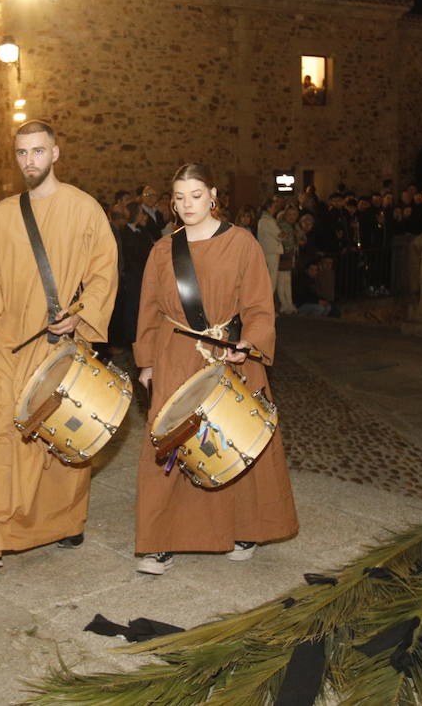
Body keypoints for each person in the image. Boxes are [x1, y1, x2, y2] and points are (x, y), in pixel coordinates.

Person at [0, 120, 118, 568]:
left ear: (55, 154)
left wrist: (80, 315)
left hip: (60, 345)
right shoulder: (3, 213)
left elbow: (103, 274)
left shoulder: (84, 208)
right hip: (7, 344)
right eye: (22, 153)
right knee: (3, 433)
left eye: (38, 151)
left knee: (58, 441)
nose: (30, 161)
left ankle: (65, 521)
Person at [132, 164, 298, 574]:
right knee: (169, 442)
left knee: (235, 441)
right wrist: (146, 362)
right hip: (176, 356)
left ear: (213, 195)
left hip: (230, 355)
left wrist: (250, 345)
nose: (187, 204)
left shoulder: (242, 244)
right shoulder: (162, 251)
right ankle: (160, 540)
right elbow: (150, 312)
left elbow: (260, 307)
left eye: (195, 195)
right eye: (180, 197)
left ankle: (244, 529)